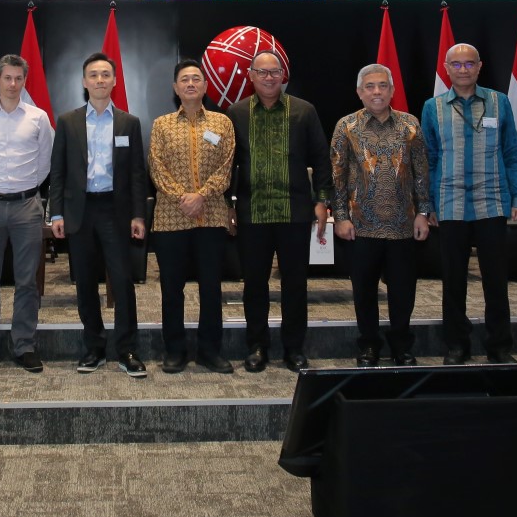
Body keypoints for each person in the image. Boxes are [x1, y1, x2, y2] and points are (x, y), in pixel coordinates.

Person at [420, 43, 517, 365]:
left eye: (469, 64)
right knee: (453, 281)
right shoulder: (432, 107)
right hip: (449, 202)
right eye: (457, 64)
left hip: (492, 200)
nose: (463, 69)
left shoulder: (499, 101)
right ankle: (456, 345)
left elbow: (512, 151)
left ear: (480, 67)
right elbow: (428, 159)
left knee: (496, 280)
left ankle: (500, 346)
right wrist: (428, 204)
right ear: (446, 68)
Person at [227, 50, 332, 373]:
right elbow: (228, 165)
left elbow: (322, 158)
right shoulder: (236, 113)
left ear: (283, 76)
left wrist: (322, 200)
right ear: (251, 76)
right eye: (262, 72)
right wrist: (228, 204)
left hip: (295, 211)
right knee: (254, 284)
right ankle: (257, 346)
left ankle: (293, 348)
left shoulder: (303, 110)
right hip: (252, 213)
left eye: (274, 72)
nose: (269, 77)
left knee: (295, 284)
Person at [49, 52, 149, 378]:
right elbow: (58, 171)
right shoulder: (68, 121)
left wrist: (138, 215)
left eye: (106, 74)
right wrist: (56, 214)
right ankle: (93, 347)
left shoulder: (129, 122)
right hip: (79, 211)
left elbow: (137, 174)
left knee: (122, 282)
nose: (100, 80)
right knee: (85, 283)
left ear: (115, 81)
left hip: (115, 211)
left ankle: (127, 349)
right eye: (93, 75)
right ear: (84, 81)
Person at [331, 64, 432, 367]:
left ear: (392, 90)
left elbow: (421, 173)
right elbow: (337, 175)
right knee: (363, 291)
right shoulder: (346, 126)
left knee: (403, 291)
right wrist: (341, 216)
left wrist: (423, 212)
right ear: (359, 92)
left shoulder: (410, 124)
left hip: (403, 225)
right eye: (370, 86)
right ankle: (369, 346)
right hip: (361, 225)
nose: (377, 92)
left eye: (383, 86)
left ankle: (401, 346)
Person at [148, 59, 237, 374]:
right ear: (175, 87)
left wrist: (201, 196)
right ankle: (175, 350)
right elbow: (156, 166)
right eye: (184, 79)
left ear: (205, 86)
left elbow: (226, 167)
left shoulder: (222, 123)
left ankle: (210, 351)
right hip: (170, 218)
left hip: (210, 216)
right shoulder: (161, 125)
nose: (190, 84)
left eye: (196, 79)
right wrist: (182, 198)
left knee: (211, 287)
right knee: (172, 288)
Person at [0, 53, 53, 375]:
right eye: (7, 78)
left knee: (27, 281)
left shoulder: (38, 118)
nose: (13, 84)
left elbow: (44, 163)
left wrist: (23, 188)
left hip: (27, 206)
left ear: (24, 80)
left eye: (18, 78)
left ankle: (24, 345)